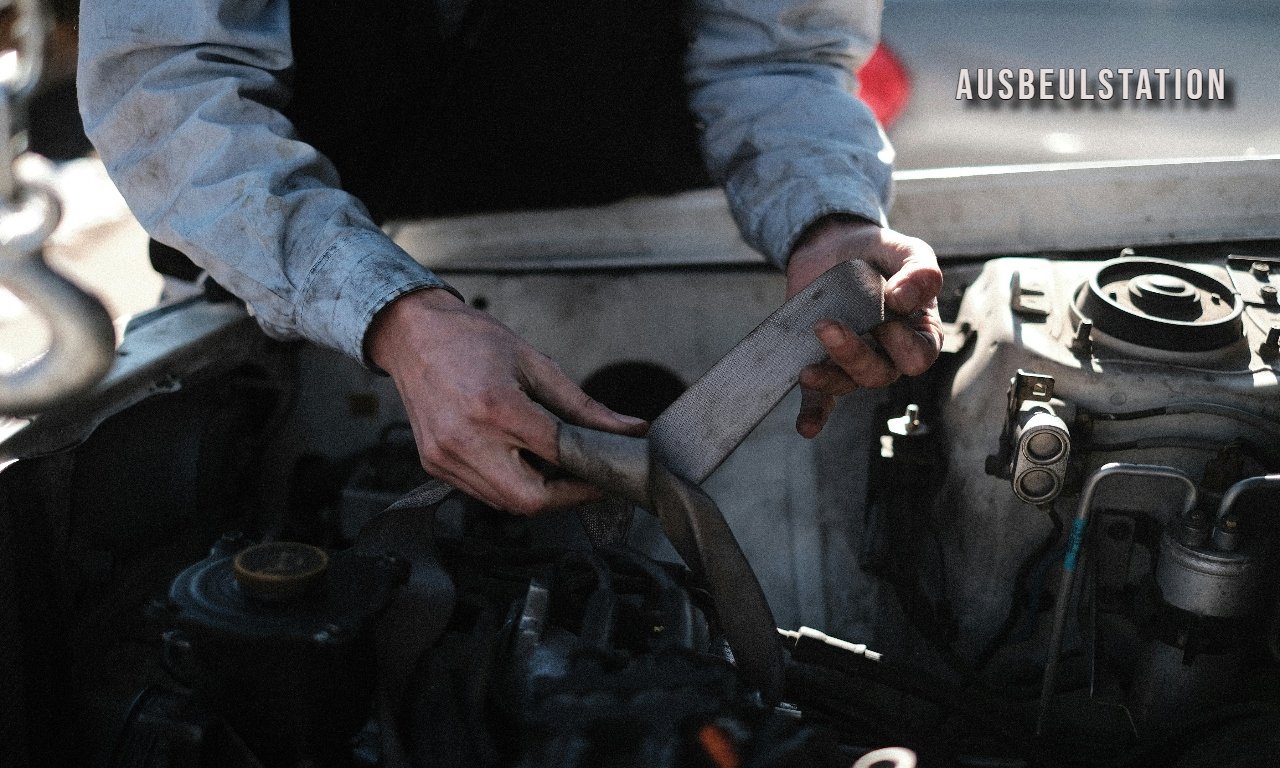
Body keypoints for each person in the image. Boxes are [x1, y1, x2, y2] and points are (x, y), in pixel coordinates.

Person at [78, 0, 943, 516]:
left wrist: (827, 224)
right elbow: (170, 86)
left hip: (639, 261)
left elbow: (780, 52)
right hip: (276, 298)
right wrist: (391, 312)